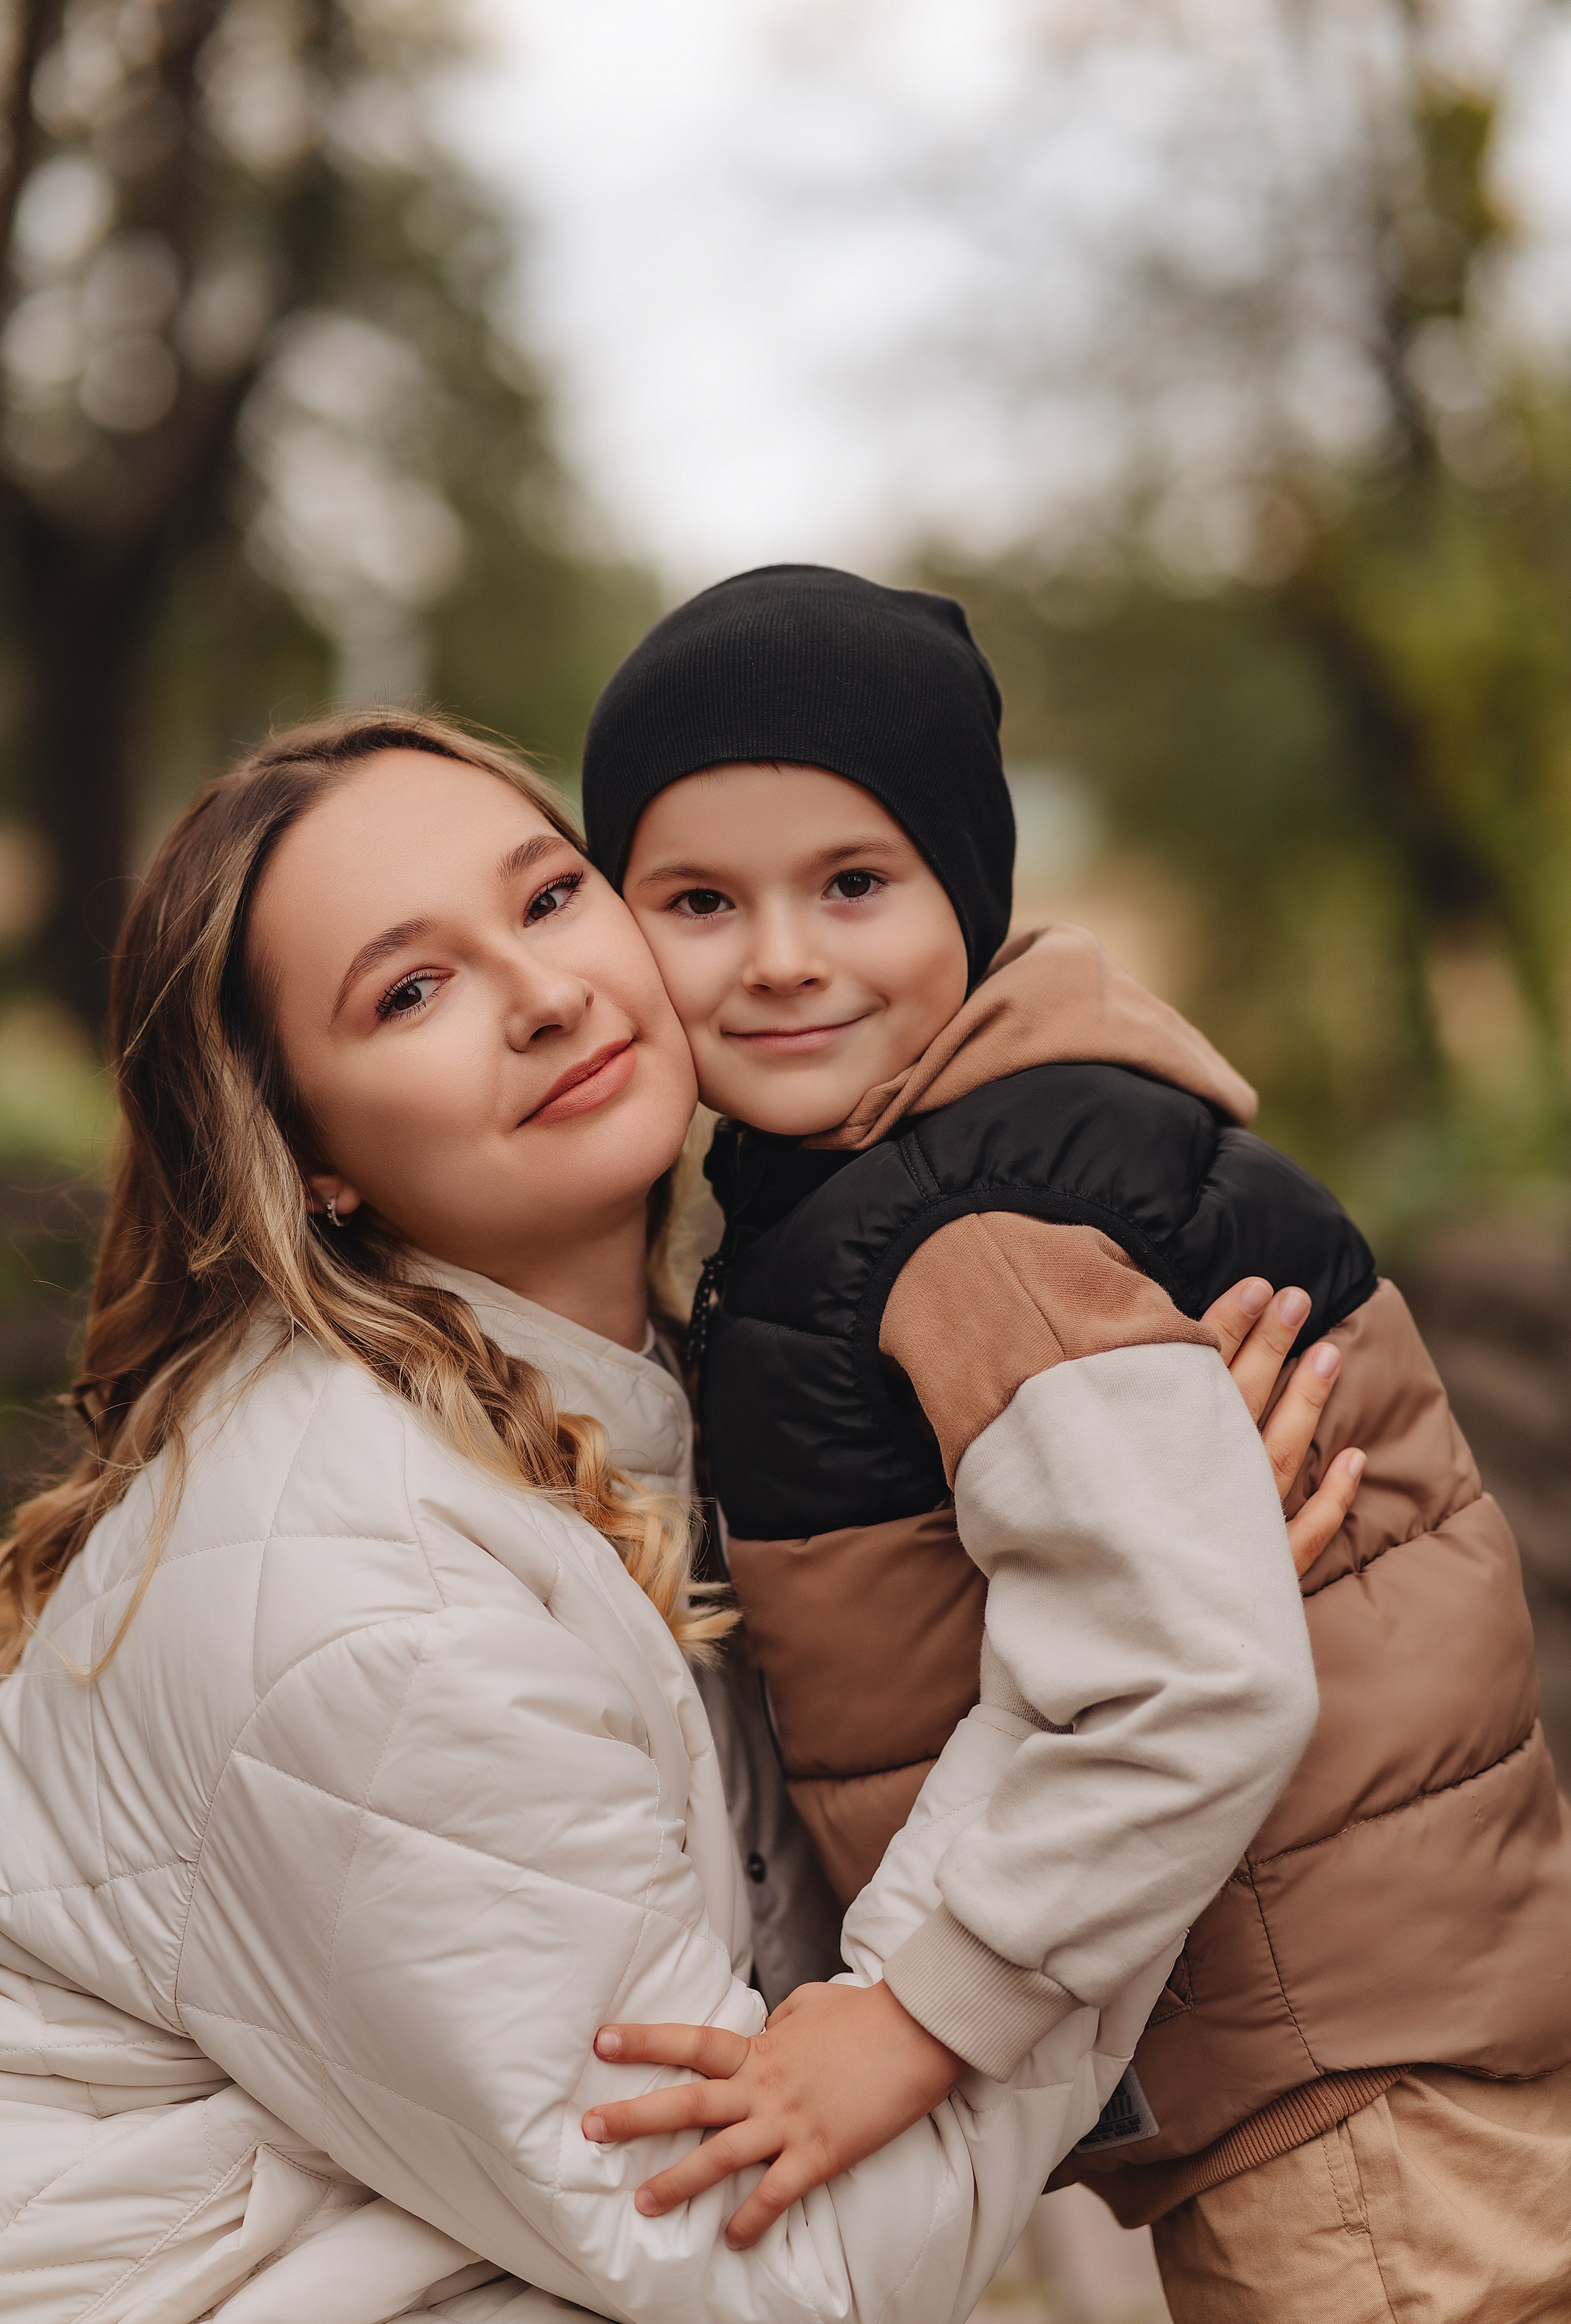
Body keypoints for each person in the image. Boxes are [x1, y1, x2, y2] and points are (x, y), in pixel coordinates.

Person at [0, 709, 1332, 2324]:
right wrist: (1149, 1671)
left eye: (550, 897)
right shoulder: (377, 1608)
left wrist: (1136, 1554)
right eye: (411, 990)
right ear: (305, 1154)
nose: (546, 993)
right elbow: (786, 2268)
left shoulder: (658, 1400)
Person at [578, 564, 1571, 2324]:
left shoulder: (974, 1233)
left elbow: (1194, 1676)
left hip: (1342, 2095)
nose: (784, 954)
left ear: (966, 888)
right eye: (701, 900)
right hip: (1342, 2038)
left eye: (856, 882)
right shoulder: (880, 1190)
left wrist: (915, 2016)